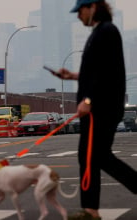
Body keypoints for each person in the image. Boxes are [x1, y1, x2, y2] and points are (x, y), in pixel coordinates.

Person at [52, 0, 137, 219]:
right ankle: (90, 210)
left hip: (102, 108)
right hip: (100, 107)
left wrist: (88, 100)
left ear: (92, 7)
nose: (78, 16)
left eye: (79, 11)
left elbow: (105, 73)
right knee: (93, 157)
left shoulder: (106, 31)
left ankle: (90, 210)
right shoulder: (99, 32)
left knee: (96, 156)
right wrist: (72, 76)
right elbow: (94, 72)